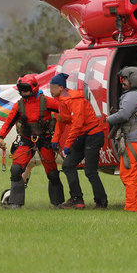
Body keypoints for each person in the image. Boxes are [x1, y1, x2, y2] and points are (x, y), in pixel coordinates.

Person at [0, 73, 64, 209]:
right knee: (16, 170)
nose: (24, 92)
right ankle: (15, 203)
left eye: (26, 88)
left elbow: (65, 109)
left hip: (44, 140)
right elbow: (9, 121)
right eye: (21, 89)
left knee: (52, 173)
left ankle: (58, 203)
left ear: (33, 88)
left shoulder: (47, 101)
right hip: (26, 141)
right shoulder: (19, 105)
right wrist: (0, 136)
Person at [49, 72, 108, 209]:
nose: (50, 89)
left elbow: (77, 124)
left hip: (93, 135)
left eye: (52, 87)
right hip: (83, 135)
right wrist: (55, 139)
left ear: (61, 88)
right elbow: (61, 121)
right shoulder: (62, 101)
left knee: (90, 171)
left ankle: (101, 201)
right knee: (68, 165)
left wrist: (67, 144)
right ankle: (77, 200)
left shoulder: (75, 100)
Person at [106, 66, 137, 212]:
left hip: (132, 141)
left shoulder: (131, 96)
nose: (122, 81)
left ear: (133, 80)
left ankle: (131, 207)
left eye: (124, 79)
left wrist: (108, 119)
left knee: (128, 174)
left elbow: (124, 115)